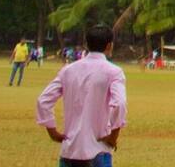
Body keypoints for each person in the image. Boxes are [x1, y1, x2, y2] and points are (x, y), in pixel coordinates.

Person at [36, 25, 126, 167]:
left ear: (87, 44)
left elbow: (43, 100)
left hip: (69, 150)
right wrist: (113, 137)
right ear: (109, 46)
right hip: (98, 150)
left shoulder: (68, 70)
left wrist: (52, 131)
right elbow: (119, 103)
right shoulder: (114, 72)